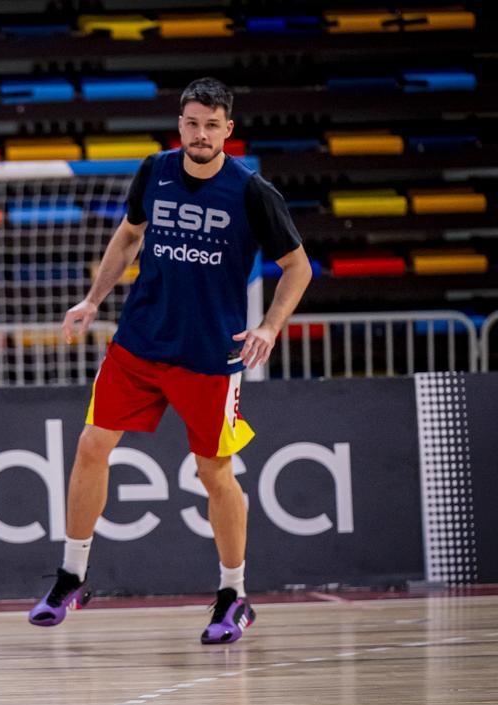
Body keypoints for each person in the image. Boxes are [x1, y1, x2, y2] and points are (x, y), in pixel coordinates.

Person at [28, 77, 313, 643]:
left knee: (214, 472)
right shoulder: (154, 171)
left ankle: (234, 594)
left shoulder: (252, 191)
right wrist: (93, 299)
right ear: (179, 124)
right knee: (91, 445)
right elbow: (128, 236)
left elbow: (298, 267)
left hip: (210, 355)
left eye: (212, 125)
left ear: (228, 130)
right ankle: (72, 577)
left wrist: (270, 326)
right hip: (140, 343)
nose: (200, 133)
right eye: (191, 123)